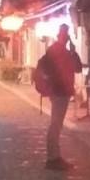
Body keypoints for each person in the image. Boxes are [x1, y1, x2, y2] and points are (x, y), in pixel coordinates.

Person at [36, 24, 83, 171]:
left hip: (58, 92)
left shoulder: (57, 50)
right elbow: (77, 68)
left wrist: (72, 52)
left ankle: (54, 156)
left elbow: (76, 68)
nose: (66, 37)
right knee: (56, 124)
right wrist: (72, 52)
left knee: (56, 124)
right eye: (66, 35)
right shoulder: (59, 51)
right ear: (63, 36)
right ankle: (53, 158)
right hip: (59, 92)